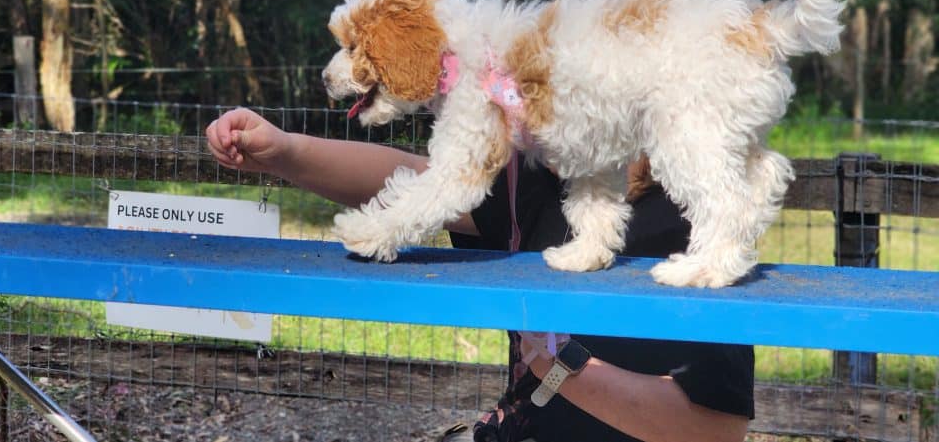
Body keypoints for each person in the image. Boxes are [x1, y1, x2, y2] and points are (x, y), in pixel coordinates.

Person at [207, 107, 755, 442]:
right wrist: (284, 152)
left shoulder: (695, 218)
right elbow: (419, 182)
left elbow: (714, 429)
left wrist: (556, 363)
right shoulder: (542, 182)